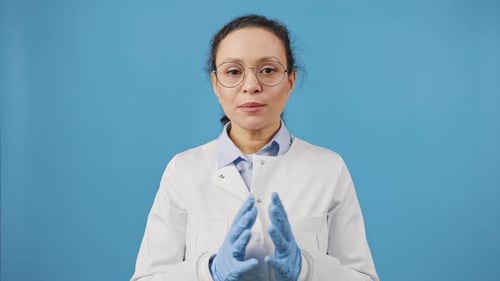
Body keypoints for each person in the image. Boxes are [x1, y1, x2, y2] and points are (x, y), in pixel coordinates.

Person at [131, 14, 379, 281]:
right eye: (233, 72)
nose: (251, 86)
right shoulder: (183, 170)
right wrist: (209, 271)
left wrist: (306, 269)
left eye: (268, 70)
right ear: (216, 83)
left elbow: (364, 277)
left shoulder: (328, 168)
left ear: (290, 81)